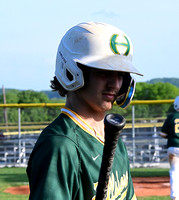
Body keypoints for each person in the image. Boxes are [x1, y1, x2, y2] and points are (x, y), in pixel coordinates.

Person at [26, 21, 143, 200]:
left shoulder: (112, 136)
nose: (116, 84)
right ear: (73, 71)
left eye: (121, 75)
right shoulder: (60, 146)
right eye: (104, 72)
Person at [160, 96, 179, 200]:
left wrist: (171, 135)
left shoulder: (171, 117)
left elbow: (162, 134)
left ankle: (175, 196)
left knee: (174, 171)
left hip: (173, 147)